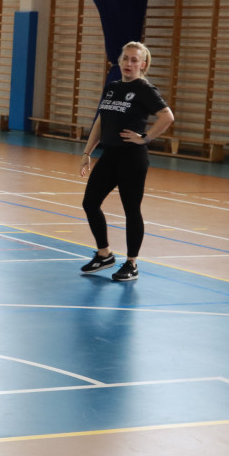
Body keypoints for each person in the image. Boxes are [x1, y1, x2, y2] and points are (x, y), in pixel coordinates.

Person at [78, 41, 174, 282]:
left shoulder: (144, 89)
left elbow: (167, 116)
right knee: (90, 203)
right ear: (120, 61)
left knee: (131, 210)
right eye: (125, 58)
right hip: (109, 156)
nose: (129, 63)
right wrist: (88, 151)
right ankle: (104, 254)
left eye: (134, 60)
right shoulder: (111, 87)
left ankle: (131, 263)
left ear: (143, 65)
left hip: (132, 158)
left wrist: (146, 138)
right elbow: (101, 119)